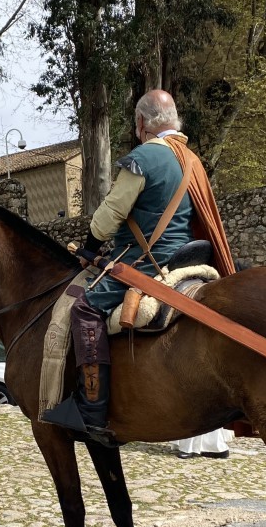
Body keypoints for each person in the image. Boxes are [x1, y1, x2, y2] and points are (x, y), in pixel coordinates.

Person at [42, 89, 234, 443]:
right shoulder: (191, 160)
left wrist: (89, 246)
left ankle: (92, 408)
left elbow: (109, 216)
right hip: (188, 258)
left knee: (85, 308)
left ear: (142, 122)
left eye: (136, 122)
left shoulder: (144, 157)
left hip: (148, 263)